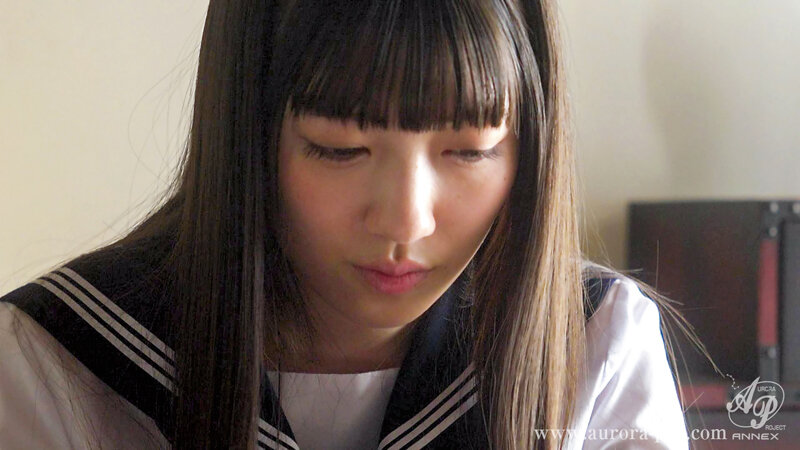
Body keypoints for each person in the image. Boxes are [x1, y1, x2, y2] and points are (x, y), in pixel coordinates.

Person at [0, 0, 690, 448]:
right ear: (247, 136)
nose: (405, 220)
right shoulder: (57, 360)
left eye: (470, 151)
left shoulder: (595, 344)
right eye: (339, 149)